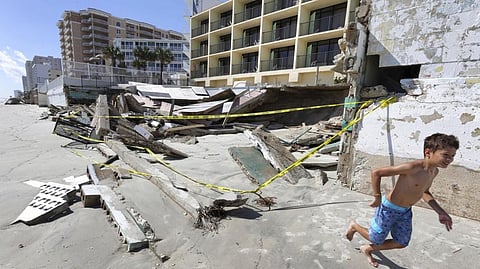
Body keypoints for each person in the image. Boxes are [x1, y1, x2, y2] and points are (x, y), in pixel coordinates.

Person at [345, 133, 459, 267]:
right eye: (446, 155)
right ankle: (355, 226)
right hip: (389, 209)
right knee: (375, 238)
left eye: (452, 156)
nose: (449, 159)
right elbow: (377, 172)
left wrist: (440, 212)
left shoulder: (434, 172)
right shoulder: (413, 168)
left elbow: (425, 192)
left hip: (405, 211)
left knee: (401, 242)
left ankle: (368, 248)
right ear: (428, 152)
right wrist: (377, 197)